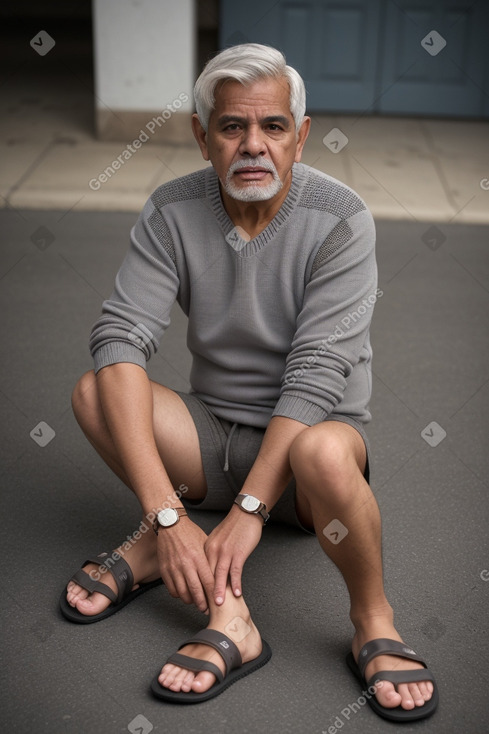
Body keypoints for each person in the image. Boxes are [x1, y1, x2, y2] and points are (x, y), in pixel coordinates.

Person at [60, 43, 438, 721]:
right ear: (203, 136)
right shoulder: (171, 210)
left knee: (322, 450)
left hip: (305, 467)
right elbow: (120, 336)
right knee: (96, 391)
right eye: (232, 127)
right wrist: (166, 513)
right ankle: (224, 611)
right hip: (211, 442)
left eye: (271, 127)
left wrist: (251, 511)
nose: (252, 145)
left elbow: (318, 372)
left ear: (300, 134)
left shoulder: (340, 218)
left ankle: (374, 622)